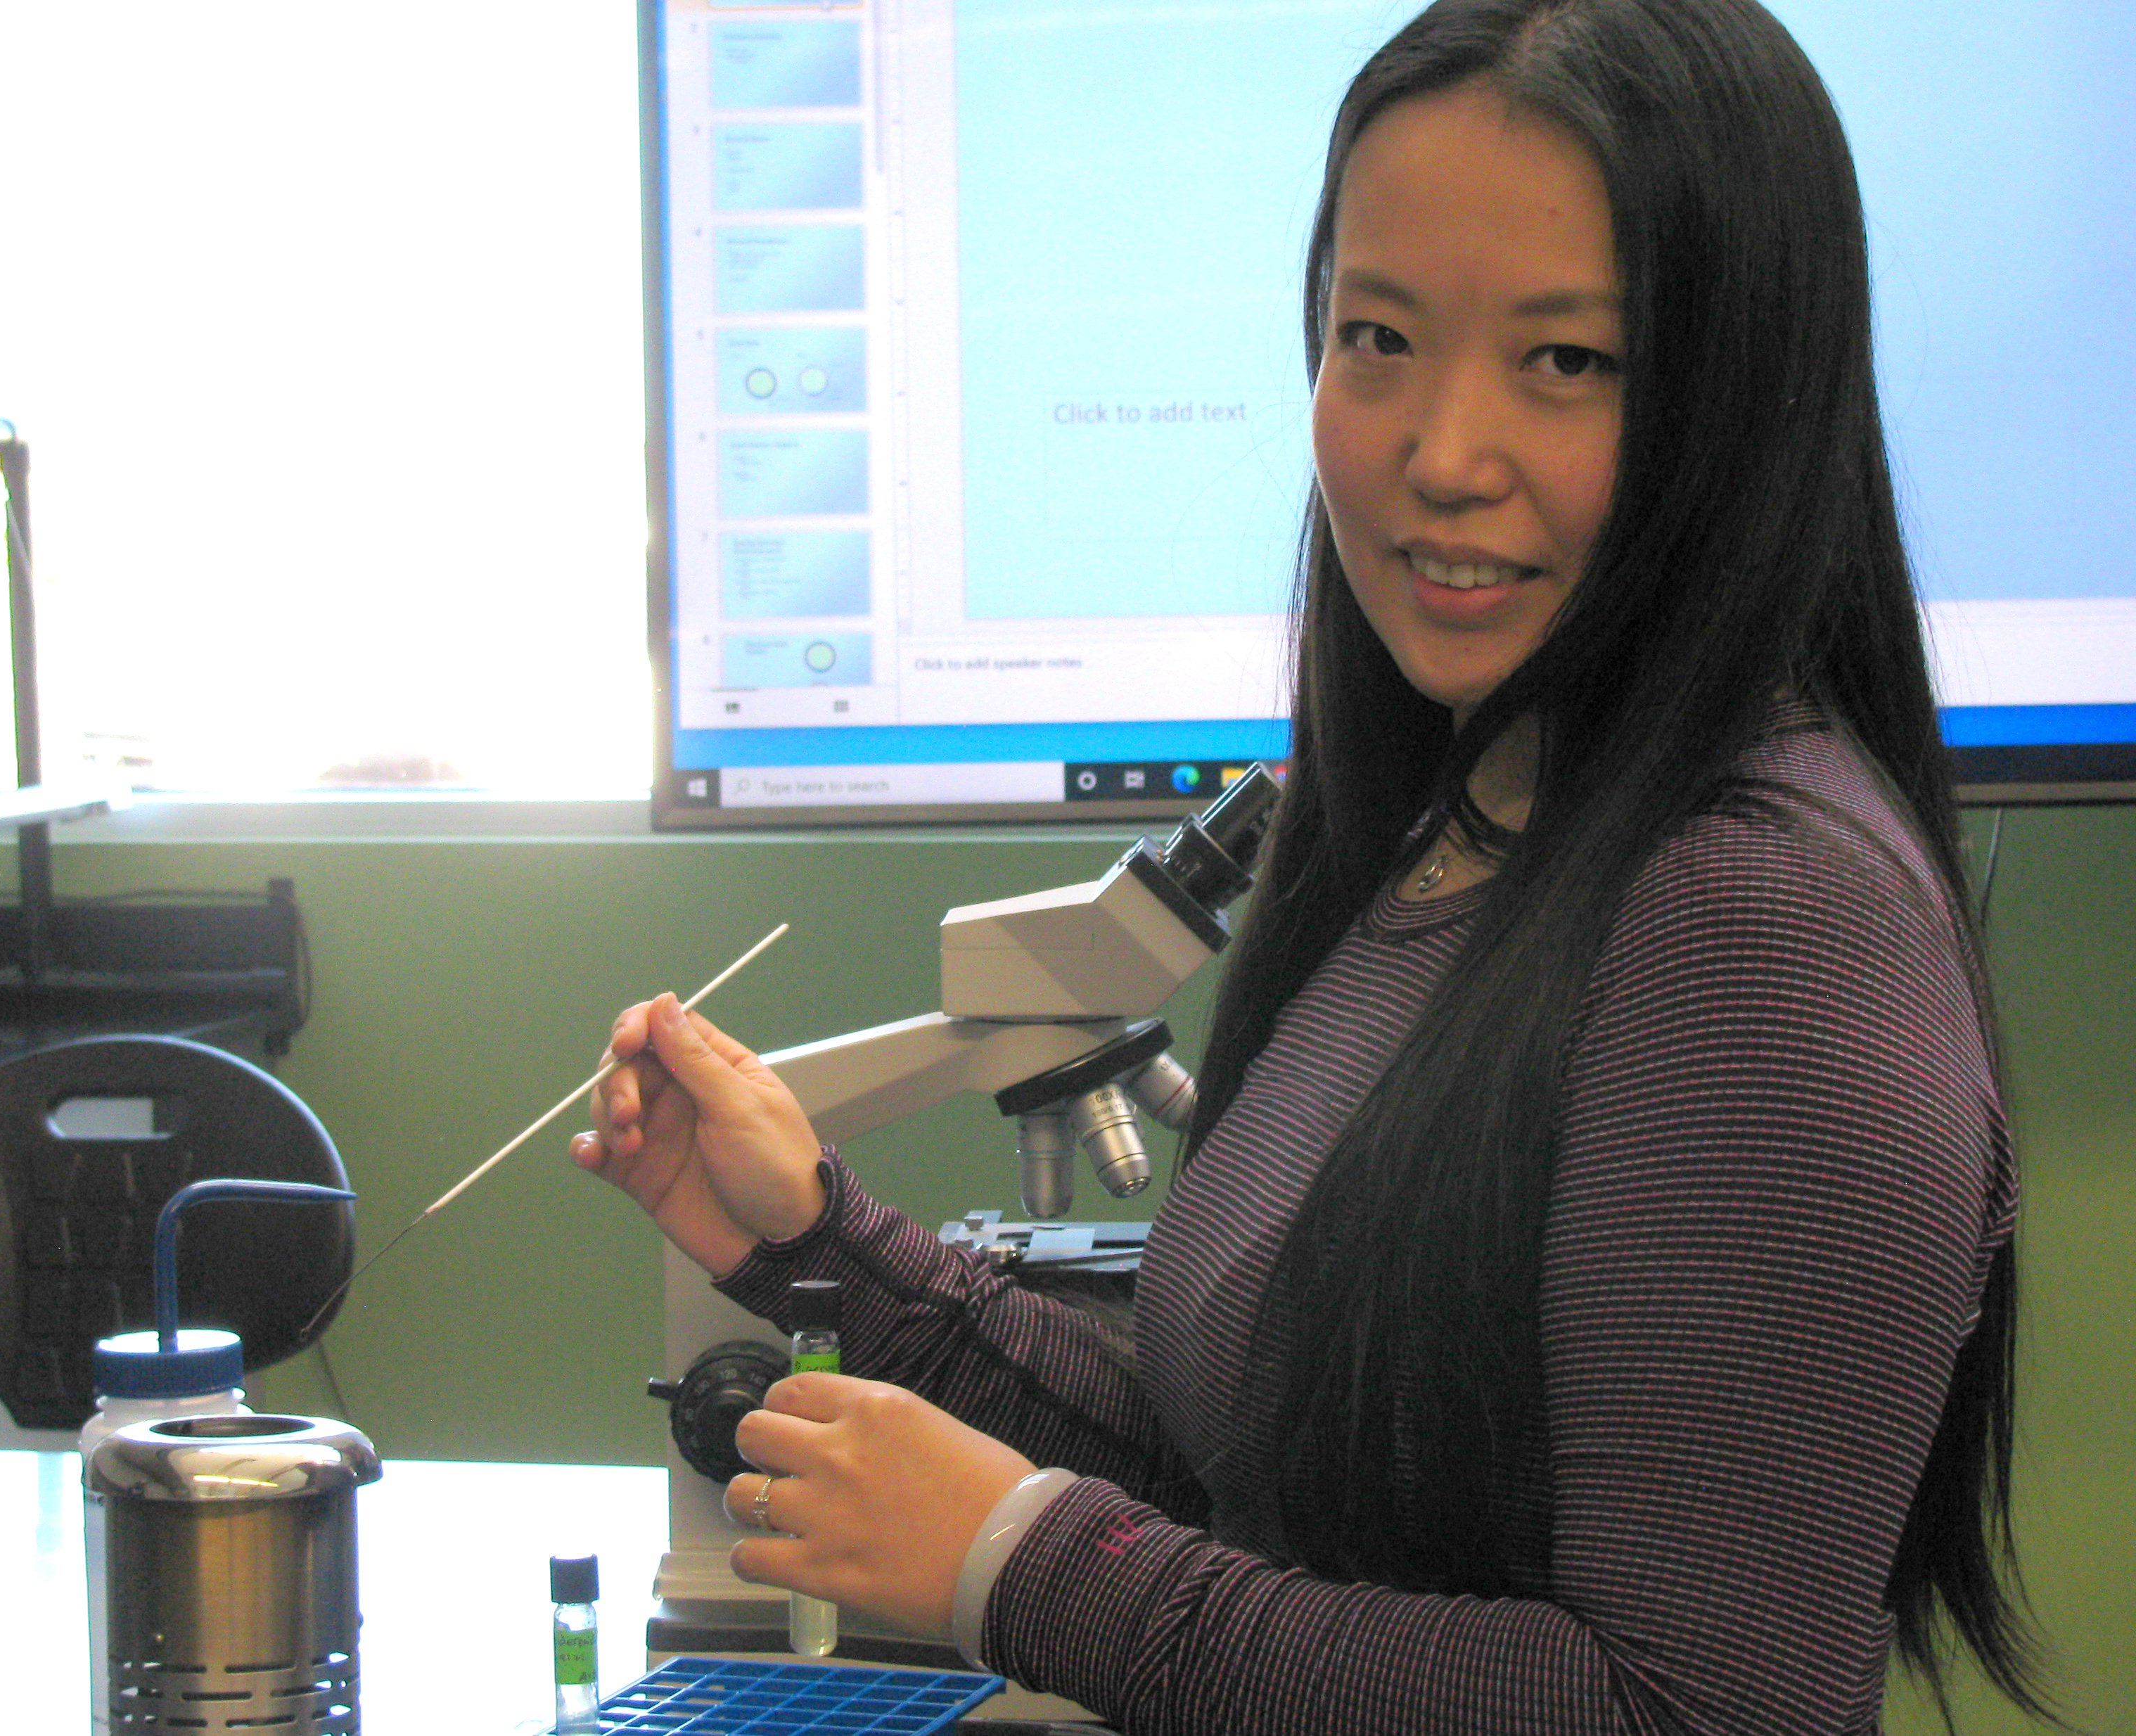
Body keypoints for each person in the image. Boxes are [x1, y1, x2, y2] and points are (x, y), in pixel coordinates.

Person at [572, 1, 2051, 1728]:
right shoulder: (1473, 815)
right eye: (1378, 339)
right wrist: (825, 1247)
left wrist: (1015, 1559)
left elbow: (1692, 1707)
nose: (1440, 456)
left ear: (1743, 393)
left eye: (1565, 360)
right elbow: (1258, 1486)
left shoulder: (1766, 928)